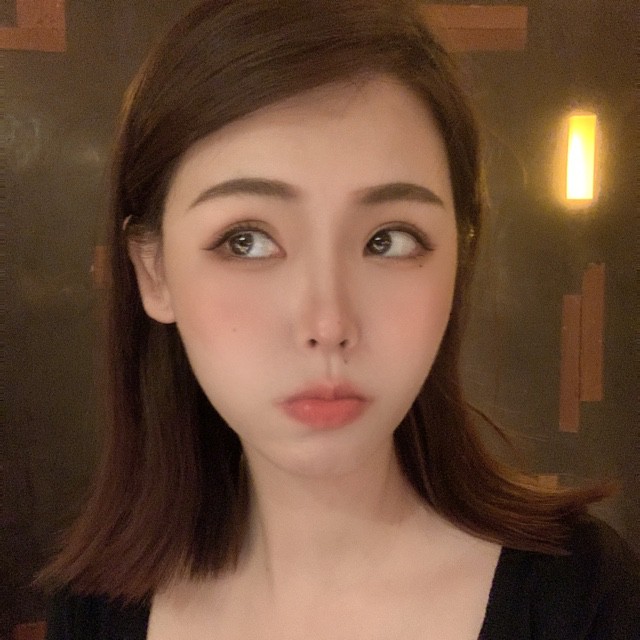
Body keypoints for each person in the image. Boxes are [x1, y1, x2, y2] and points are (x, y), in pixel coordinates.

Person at [41, 1, 639, 638]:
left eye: (389, 239)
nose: (327, 324)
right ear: (154, 273)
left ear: (459, 260)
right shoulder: (95, 609)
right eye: (247, 240)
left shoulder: (583, 600)